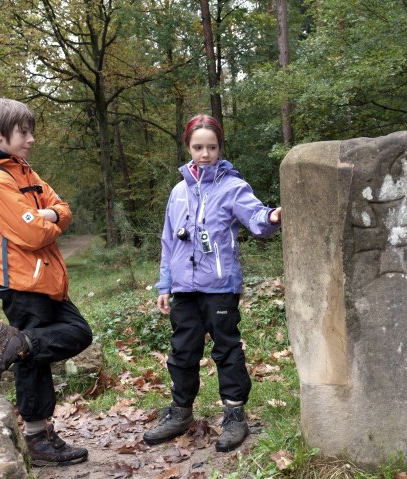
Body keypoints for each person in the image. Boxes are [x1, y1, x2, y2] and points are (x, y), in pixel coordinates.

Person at [144, 114, 281, 452]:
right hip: (184, 289)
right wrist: (165, 285)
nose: (205, 153)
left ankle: (235, 414)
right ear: (188, 147)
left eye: (212, 147)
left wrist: (272, 216)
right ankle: (180, 411)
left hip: (220, 287)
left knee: (227, 350)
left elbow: (256, 217)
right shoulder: (178, 192)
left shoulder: (232, 186)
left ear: (220, 148)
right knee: (182, 350)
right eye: (198, 147)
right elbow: (168, 241)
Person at [0, 98, 93, 466]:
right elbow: (33, 234)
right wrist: (45, 218)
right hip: (20, 282)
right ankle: (38, 437)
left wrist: (47, 213)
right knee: (32, 360)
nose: (31, 138)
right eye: (24, 132)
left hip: (44, 279)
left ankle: (13, 342)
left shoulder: (24, 171)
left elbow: (63, 210)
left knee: (70, 335)